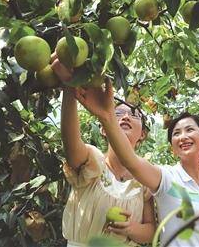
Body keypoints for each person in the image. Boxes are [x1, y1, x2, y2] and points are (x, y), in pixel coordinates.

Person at [70, 79, 199, 246]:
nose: (183, 136)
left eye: (190, 129)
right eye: (177, 133)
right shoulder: (165, 177)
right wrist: (106, 116)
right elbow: (131, 161)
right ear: (172, 147)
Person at [51, 55, 156, 247]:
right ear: (103, 128)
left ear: (143, 134)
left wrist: (131, 228)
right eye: (117, 113)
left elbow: (150, 231)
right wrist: (70, 86)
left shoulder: (143, 179)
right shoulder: (93, 162)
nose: (125, 117)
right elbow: (70, 142)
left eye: (134, 114)